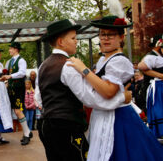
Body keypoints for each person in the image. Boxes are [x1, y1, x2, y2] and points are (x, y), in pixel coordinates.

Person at [36, 19, 134, 161]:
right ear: (61, 42)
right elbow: (90, 98)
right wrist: (121, 97)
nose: (76, 41)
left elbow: (39, 97)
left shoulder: (44, 65)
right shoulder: (68, 66)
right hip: (66, 126)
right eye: (73, 38)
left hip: (46, 124)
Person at [68, 14, 163, 160]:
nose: (105, 38)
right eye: (102, 34)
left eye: (110, 35)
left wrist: (84, 70)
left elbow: (108, 91)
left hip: (118, 119)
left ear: (121, 37)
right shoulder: (103, 59)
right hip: (104, 115)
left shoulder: (119, 61)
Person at [2, 41, 32, 145]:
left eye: (11, 48)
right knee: (16, 111)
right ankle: (27, 131)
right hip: (11, 89)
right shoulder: (9, 62)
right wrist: (6, 81)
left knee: (18, 111)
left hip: (18, 88)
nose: (9, 50)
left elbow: (23, 73)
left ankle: (27, 133)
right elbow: (6, 74)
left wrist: (10, 76)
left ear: (16, 49)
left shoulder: (21, 60)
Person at [138, 34, 163, 138]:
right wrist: (161, 75)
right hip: (154, 92)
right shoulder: (152, 57)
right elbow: (141, 66)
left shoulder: (157, 57)